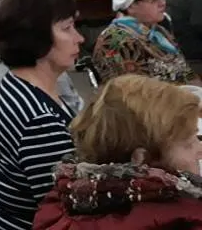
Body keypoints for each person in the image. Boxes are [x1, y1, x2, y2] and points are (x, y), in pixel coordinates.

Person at [34, 75, 202, 229]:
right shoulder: (179, 219)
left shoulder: (63, 204)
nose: (200, 149)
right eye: (188, 144)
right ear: (142, 160)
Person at [0, 0, 83, 230]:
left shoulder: (17, 80)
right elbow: (69, 210)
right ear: (36, 38)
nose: (79, 38)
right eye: (67, 28)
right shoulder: (40, 121)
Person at [0, 0, 84, 130]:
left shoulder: (23, 56)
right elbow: (77, 123)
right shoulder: (33, 72)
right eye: (66, 26)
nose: (80, 38)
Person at [93, 0, 199, 84]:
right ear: (131, 6)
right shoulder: (115, 41)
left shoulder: (158, 31)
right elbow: (132, 91)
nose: (163, 3)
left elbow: (185, 70)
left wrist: (196, 88)